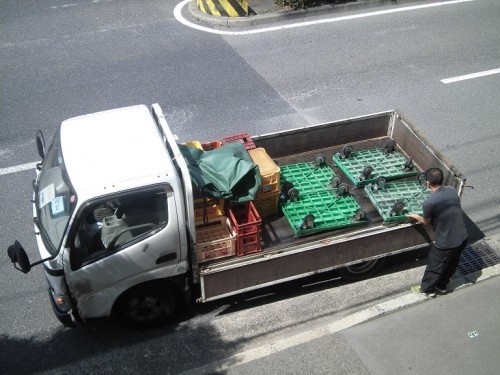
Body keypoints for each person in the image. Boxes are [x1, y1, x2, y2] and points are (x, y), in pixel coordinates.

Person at [407, 167, 468, 297]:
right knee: (451, 264)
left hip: (446, 242)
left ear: (427, 183)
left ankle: (427, 289)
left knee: (434, 267)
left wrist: (415, 216)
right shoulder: (452, 191)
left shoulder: (429, 203)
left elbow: (426, 222)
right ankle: (442, 286)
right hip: (462, 237)